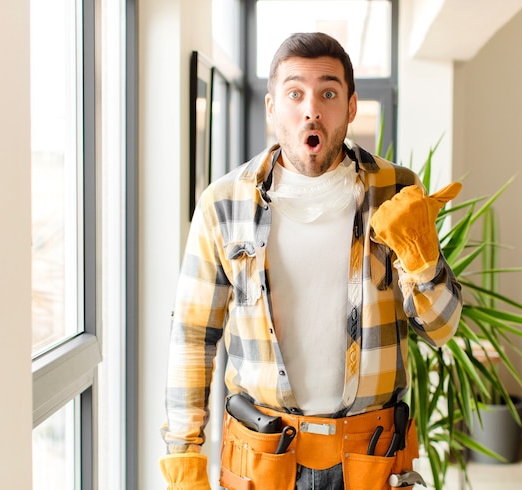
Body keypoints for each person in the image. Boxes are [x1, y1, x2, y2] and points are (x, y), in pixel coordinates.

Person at [160, 32, 463, 490]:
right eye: (295, 93)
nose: (311, 109)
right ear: (271, 106)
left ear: (351, 106)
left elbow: (441, 328)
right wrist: (184, 460)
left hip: (373, 456)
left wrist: (422, 262)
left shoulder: (396, 190)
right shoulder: (223, 203)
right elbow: (193, 336)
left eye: (328, 92)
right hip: (263, 460)